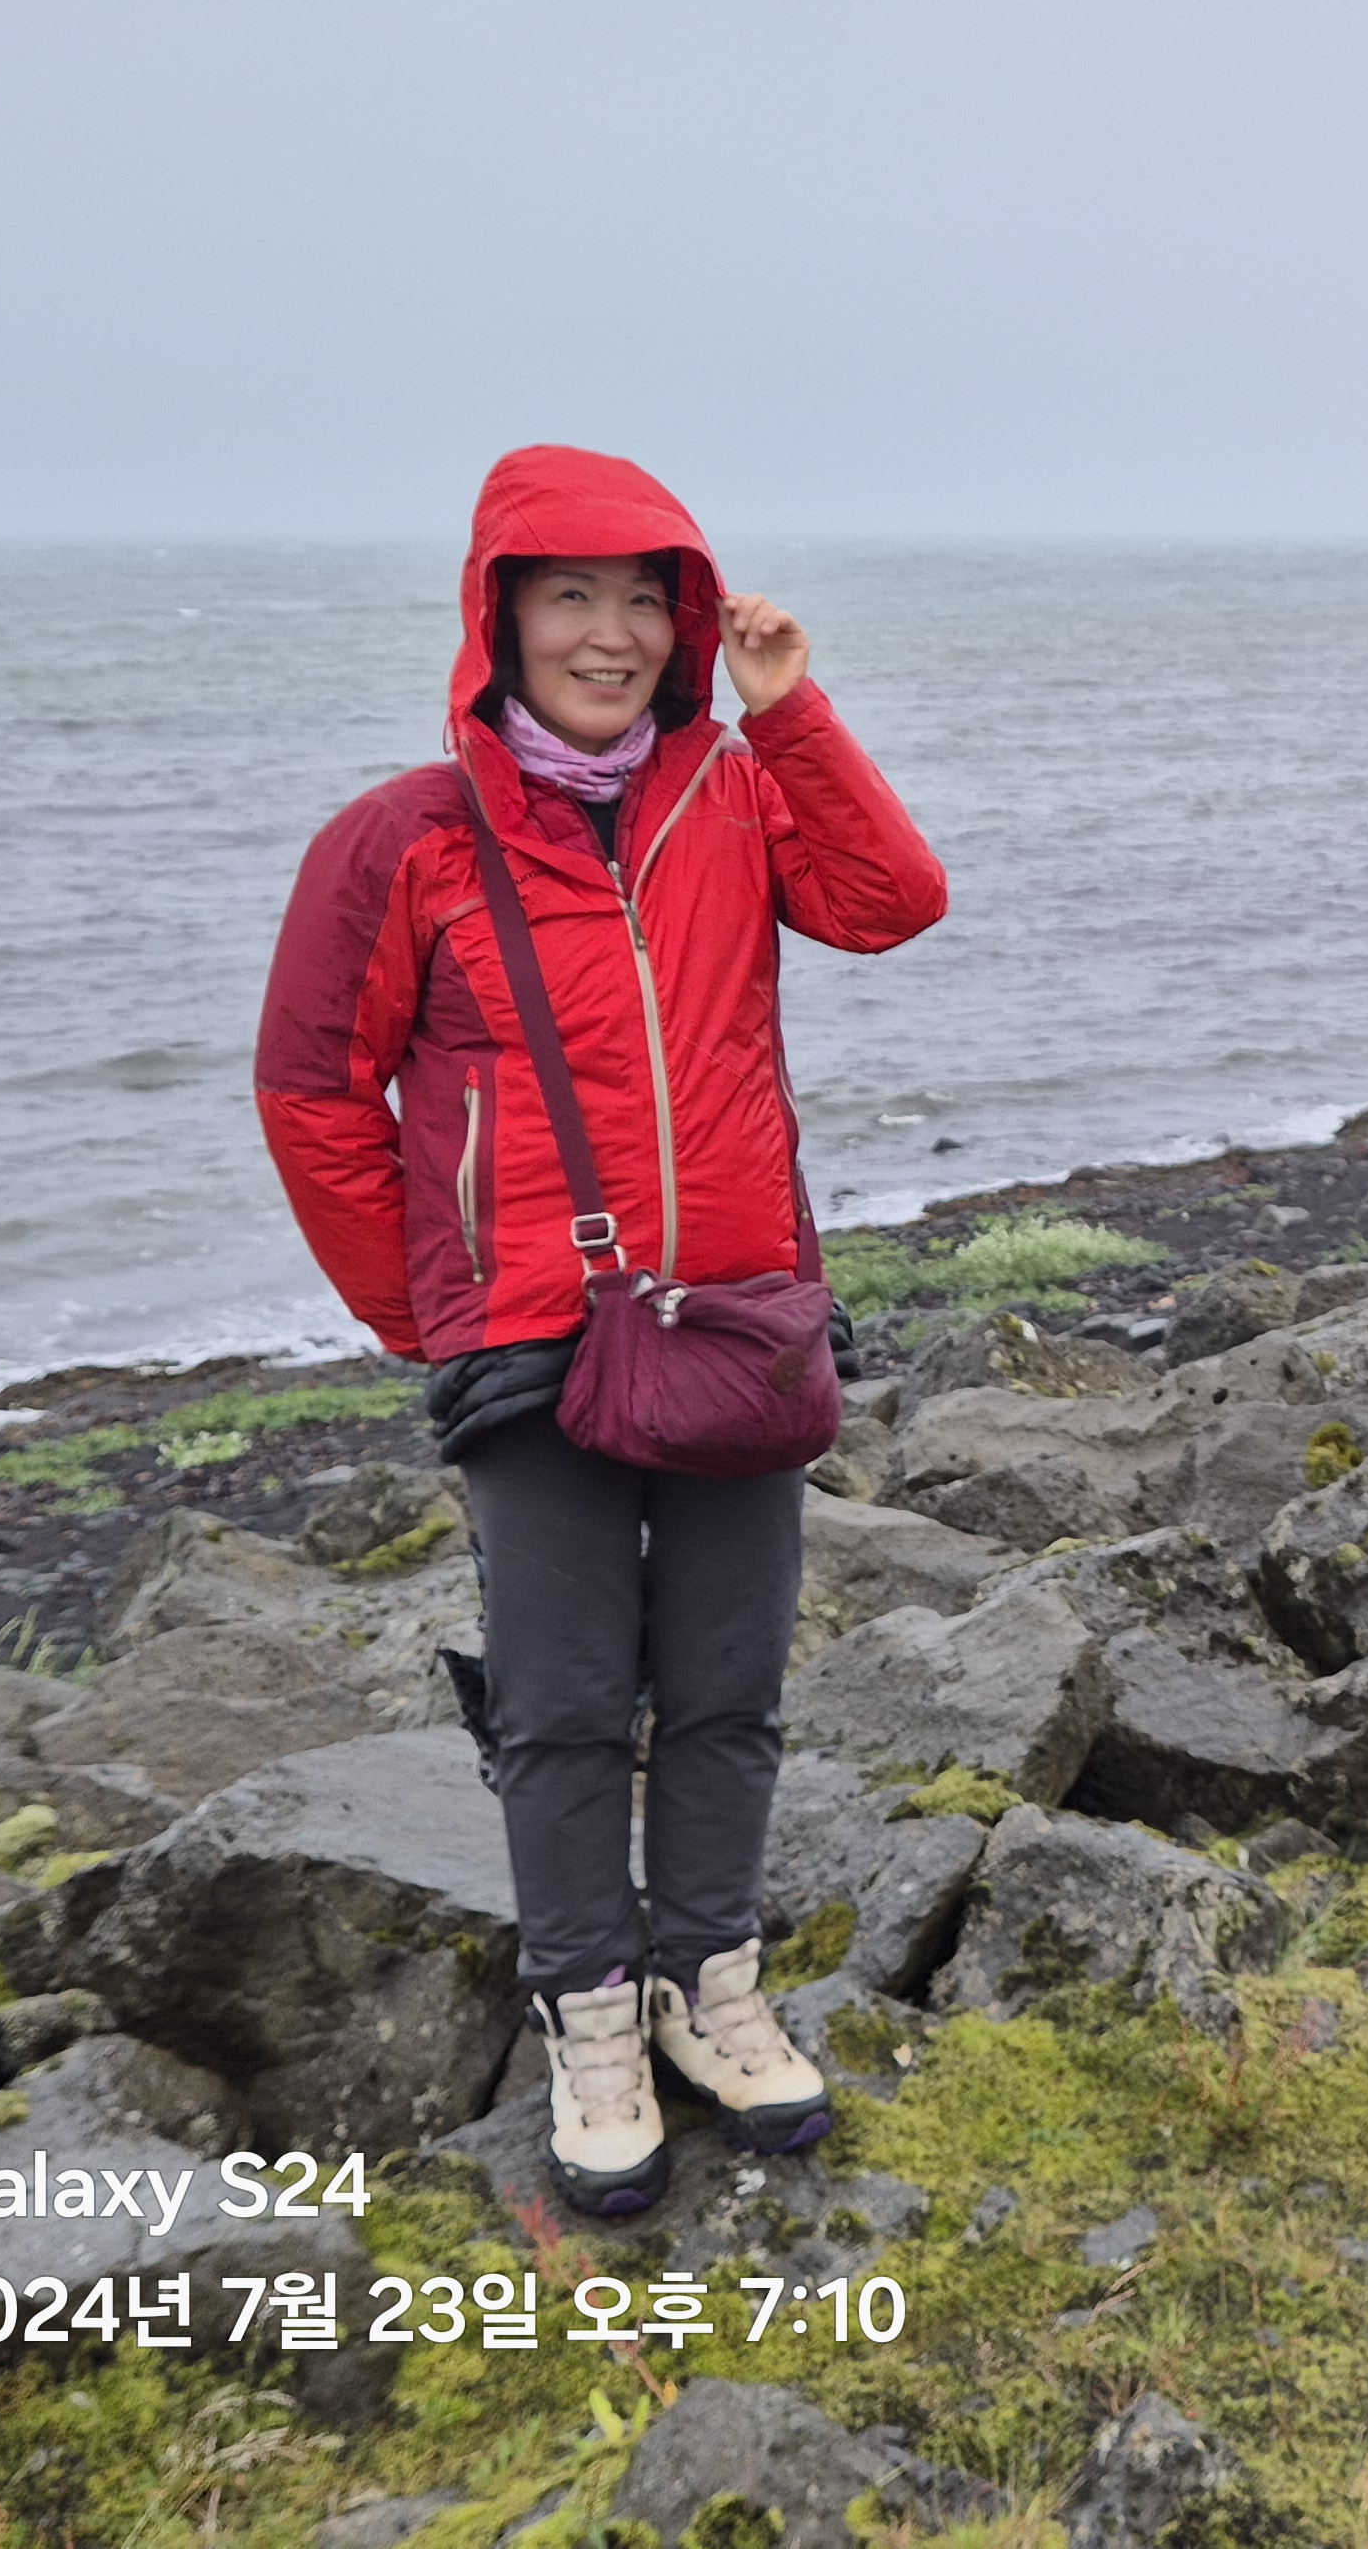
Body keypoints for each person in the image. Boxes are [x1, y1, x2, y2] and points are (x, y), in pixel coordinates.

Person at [256, 445, 947, 2215]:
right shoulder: (404, 839)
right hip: (531, 1340)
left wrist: (789, 713)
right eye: (571, 595)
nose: (612, 634)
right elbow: (315, 1092)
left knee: (727, 1687)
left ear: (687, 624)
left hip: (736, 1321)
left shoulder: (734, 787)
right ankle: (589, 2017)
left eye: (647, 600)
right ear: (498, 617)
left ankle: (713, 1985)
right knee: (562, 1705)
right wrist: (425, 1306)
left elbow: (891, 902)